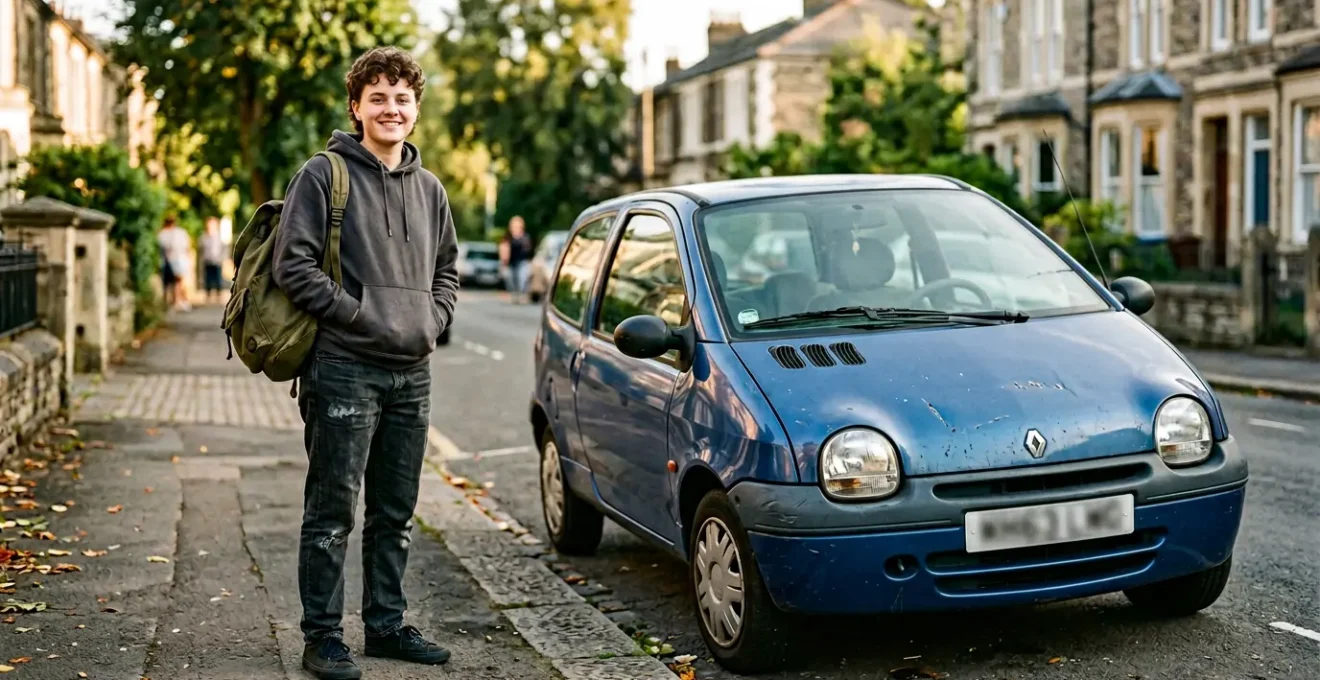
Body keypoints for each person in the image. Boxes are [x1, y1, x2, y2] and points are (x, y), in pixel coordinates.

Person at [271, 46, 459, 680]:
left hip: (413, 373)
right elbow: (290, 264)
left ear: (415, 109)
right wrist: (357, 315)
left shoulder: (430, 188)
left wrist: (432, 321)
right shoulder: (324, 175)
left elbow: (447, 272)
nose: (391, 108)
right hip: (345, 367)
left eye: (402, 98)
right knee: (331, 511)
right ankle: (322, 636)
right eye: (377, 97)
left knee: (395, 511)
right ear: (356, 107)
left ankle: (384, 625)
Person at [157, 216, 191, 311]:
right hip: (177, 260)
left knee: (170, 283)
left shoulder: (162, 234)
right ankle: (175, 301)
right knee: (177, 282)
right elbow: (186, 246)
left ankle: (172, 302)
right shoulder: (179, 233)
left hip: (170, 261)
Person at [501, 215, 533, 303]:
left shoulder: (525, 237)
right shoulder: (508, 237)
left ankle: (522, 295)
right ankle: (515, 295)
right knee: (511, 279)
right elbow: (503, 248)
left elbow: (528, 250)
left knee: (522, 278)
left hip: (522, 261)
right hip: (511, 262)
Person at [200, 216, 227, 304]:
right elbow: (201, 248)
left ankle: (218, 295)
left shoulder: (219, 237)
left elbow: (223, 248)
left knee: (218, 278)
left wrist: (223, 258)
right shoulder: (204, 237)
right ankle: (208, 295)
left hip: (217, 260)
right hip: (207, 260)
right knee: (208, 278)